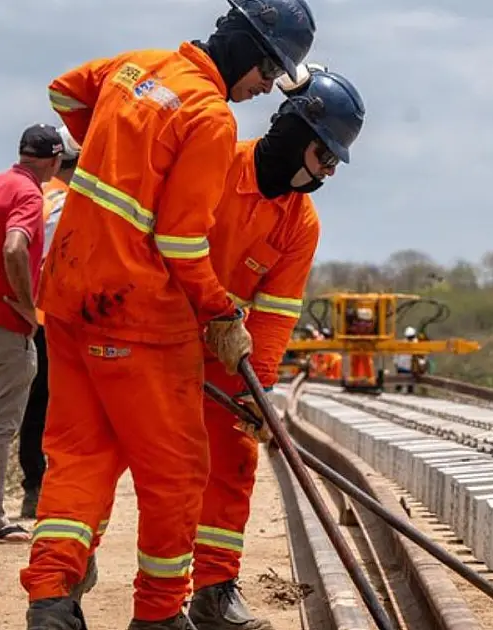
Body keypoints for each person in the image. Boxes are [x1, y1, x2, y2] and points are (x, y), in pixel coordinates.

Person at [22, 2, 317, 628]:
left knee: (80, 456)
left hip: (69, 297)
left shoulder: (135, 68)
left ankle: (50, 600)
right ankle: (158, 616)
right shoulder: (209, 120)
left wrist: (110, 143)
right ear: (246, 50)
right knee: (178, 472)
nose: (265, 87)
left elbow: (61, 91)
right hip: (136, 316)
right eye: (268, 71)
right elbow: (183, 242)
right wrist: (218, 310)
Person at [78, 64, 364, 630]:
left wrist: (260, 387)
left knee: (234, 457)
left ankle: (214, 589)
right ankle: (74, 564)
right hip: (151, 330)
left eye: (334, 163)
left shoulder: (299, 223)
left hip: (222, 346)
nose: (327, 173)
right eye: (324, 156)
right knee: (111, 453)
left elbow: (278, 313)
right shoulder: (217, 161)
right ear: (294, 135)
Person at [0, 124, 63, 544]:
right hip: (9, 326)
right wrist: (25, 302)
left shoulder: (2, 183)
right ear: (55, 161)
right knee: (3, 425)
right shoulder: (28, 194)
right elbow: (14, 248)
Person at [17, 126, 79, 521]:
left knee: (28, 410)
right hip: (54, 318)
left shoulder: (31, 192)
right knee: (56, 407)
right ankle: (48, 490)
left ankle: (33, 489)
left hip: (24, 316)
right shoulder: (69, 197)